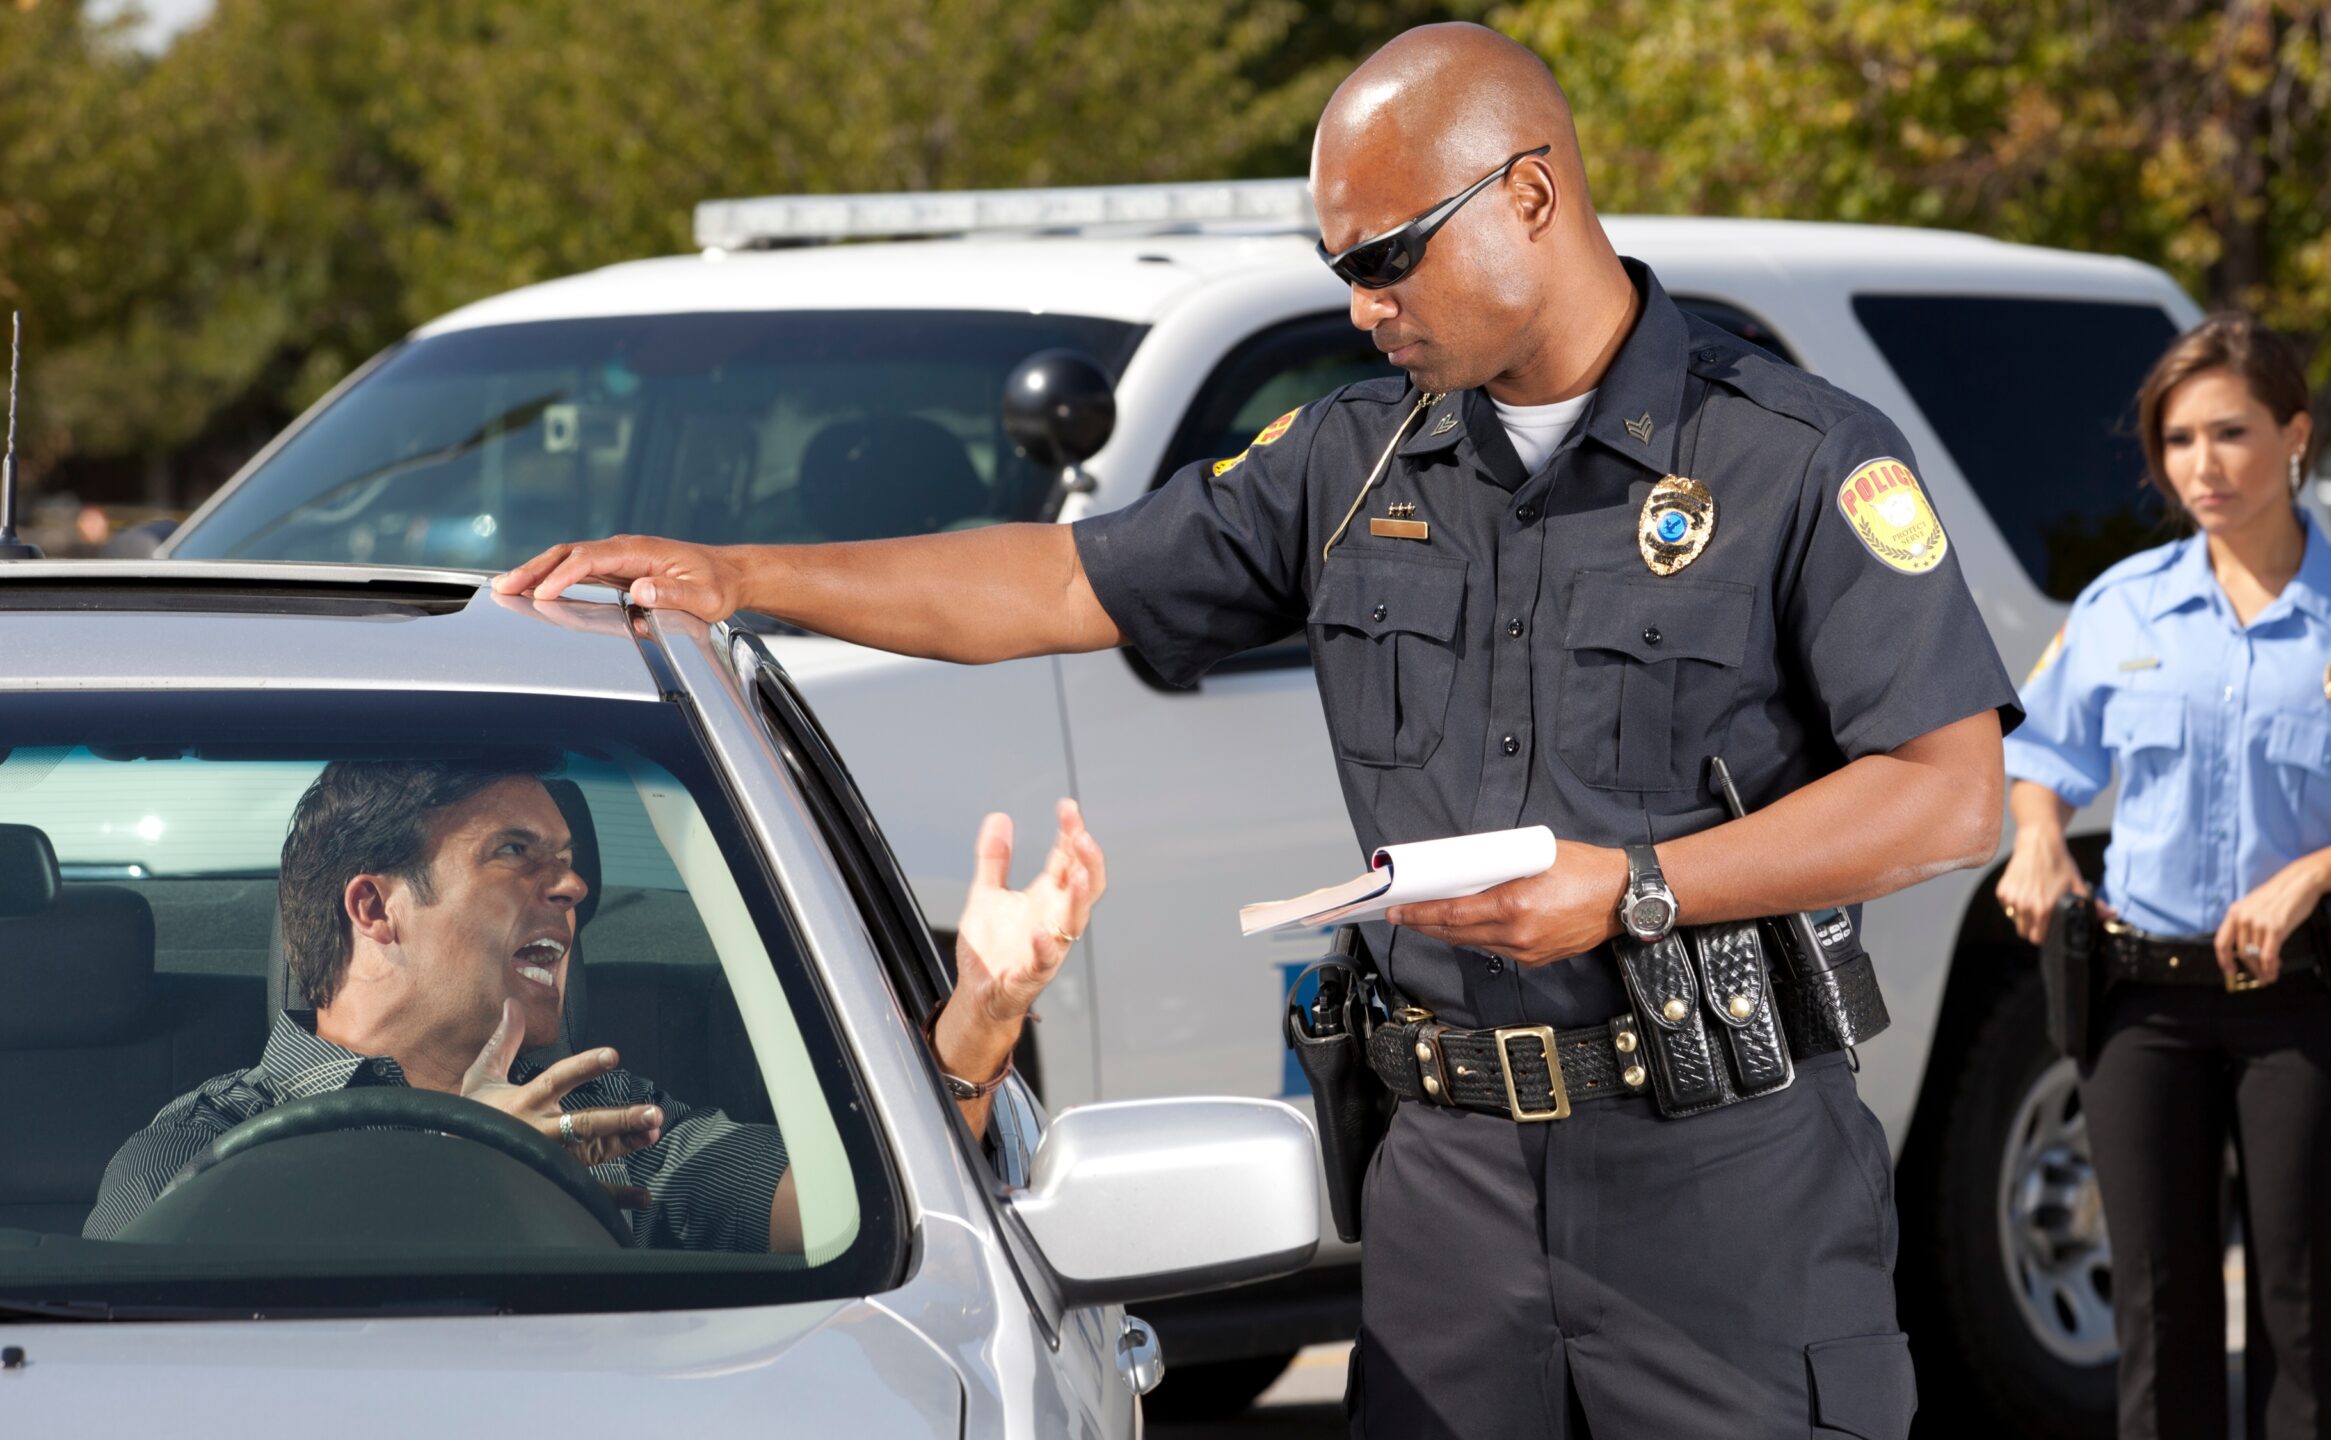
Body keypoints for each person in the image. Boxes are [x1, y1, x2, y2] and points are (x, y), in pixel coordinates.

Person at [496, 23, 2016, 1436]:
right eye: (1340, 264)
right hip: (1447, 1197)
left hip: (1721, 1188)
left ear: (1533, 194)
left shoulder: (1796, 458)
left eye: (1390, 259)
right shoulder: (1354, 461)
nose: (1363, 306)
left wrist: (1636, 887)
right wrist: (741, 577)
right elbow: (1054, 582)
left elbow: (1950, 797)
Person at [1996, 313, 2331, 1439]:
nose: (2200, 465)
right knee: (2156, 1310)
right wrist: (2037, 836)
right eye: (2177, 439)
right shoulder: (2121, 608)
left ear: (2294, 435)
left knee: (2297, 1313)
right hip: (2138, 1007)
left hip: (2305, 1011)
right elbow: (2039, 757)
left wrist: (2319, 873)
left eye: (2228, 433)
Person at [86, 752, 1103, 1252]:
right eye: (516, 856)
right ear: (375, 907)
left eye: (570, 867)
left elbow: (863, 1210)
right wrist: (460, 1161)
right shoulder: (194, 1150)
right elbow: (141, 1361)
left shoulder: (613, 1122)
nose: (571, 890)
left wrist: (980, 1011)